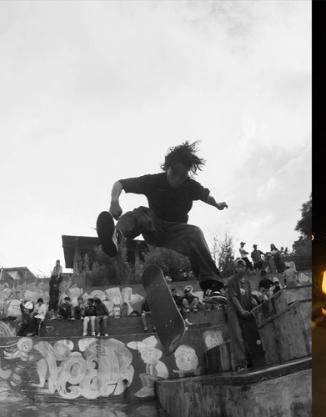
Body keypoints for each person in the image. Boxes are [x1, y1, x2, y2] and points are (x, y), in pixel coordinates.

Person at [96, 141, 228, 296]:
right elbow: (120, 184)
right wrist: (114, 202)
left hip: (177, 232)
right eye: (174, 173)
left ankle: (212, 286)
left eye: (183, 176)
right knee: (141, 213)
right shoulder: (153, 181)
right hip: (154, 226)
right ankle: (115, 238)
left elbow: (206, 197)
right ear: (167, 168)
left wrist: (217, 204)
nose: (177, 180)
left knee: (195, 233)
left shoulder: (191, 186)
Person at [226, 259, 260, 370]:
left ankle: (250, 360)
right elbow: (233, 297)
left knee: (247, 336)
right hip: (234, 311)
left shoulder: (247, 282)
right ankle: (240, 364)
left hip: (245, 310)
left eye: (242, 265)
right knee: (237, 336)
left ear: (245, 268)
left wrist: (253, 303)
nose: (240, 267)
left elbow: (249, 297)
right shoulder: (231, 281)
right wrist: (241, 311)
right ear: (235, 268)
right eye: (238, 266)